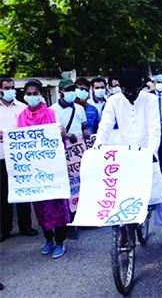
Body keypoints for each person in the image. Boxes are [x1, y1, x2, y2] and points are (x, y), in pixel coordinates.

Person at [95, 66, 162, 249]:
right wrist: (98, 147)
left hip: (147, 153)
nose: (129, 94)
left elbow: (154, 129)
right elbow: (105, 126)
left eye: (133, 90)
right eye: (125, 90)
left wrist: (150, 153)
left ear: (141, 87)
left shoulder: (149, 100)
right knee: (119, 197)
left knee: (160, 199)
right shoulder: (114, 101)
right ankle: (121, 232)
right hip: (123, 153)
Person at [17, 79, 70, 258]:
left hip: (53, 169)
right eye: (29, 93)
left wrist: (62, 134)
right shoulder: (21, 116)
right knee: (40, 207)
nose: (32, 96)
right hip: (34, 171)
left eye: (35, 93)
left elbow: (59, 138)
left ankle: (60, 241)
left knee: (56, 205)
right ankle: (48, 239)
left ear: (41, 94)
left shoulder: (51, 114)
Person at [50, 78, 90, 240]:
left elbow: (84, 126)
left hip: (78, 153)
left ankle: (83, 217)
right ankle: (69, 222)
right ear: (61, 92)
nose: (71, 93)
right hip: (62, 153)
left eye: (73, 90)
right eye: (68, 90)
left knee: (81, 184)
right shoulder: (52, 110)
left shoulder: (80, 109)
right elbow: (52, 131)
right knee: (67, 188)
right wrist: (65, 135)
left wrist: (86, 131)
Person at [0, 77, 39, 242]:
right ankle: (4, 229)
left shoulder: (23, 108)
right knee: (2, 195)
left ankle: (26, 226)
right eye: (7, 88)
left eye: (12, 87)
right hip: (1, 157)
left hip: (20, 158)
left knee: (23, 192)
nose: (10, 91)